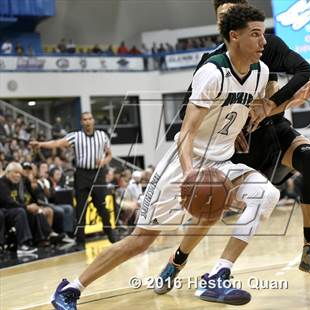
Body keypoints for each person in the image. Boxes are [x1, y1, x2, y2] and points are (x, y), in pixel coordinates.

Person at [49, 5, 279, 309]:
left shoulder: (261, 72)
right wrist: (190, 175)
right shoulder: (212, 73)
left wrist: (263, 112)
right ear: (234, 37)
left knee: (267, 195)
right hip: (185, 162)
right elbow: (187, 133)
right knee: (141, 240)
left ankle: (218, 275)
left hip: (222, 160)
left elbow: (256, 107)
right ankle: (70, 288)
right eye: (256, 34)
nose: (264, 42)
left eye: (264, 34)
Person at [164, 2, 310, 292]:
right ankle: (178, 260)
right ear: (225, 28)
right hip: (238, 140)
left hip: (273, 127)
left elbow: (306, 71)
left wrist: (275, 104)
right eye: (222, 17)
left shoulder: (266, 45)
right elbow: (187, 115)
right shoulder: (212, 62)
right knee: (211, 207)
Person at [30, 112, 117, 247]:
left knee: (102, 206)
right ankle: (80, 240)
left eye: (89, 119)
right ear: (81, 122)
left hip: (98, 174)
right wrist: (41, 145)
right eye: (84, 120)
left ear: (93, 121)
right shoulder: (76, 136)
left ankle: (110, 231)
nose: (87, 122)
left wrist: (104, 161)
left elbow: (110, 154)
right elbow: (57, 143)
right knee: (80, 208)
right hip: (82, 174)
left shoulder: (102, 136)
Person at [0, 162, 38, 255]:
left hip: (10, 209)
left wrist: (29, 206)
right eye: (15, 172)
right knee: (21, 211)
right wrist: (26, 207)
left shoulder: (16, 183)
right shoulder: (2, 183)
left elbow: (21, 200)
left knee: (32, 212)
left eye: (19, 173)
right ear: (7, 172)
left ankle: (37, 240)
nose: (18, 175)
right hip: (4, 209)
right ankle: (22, 245)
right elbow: (8, 202)